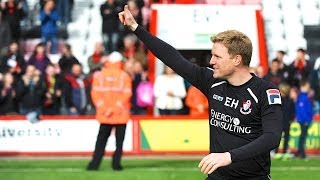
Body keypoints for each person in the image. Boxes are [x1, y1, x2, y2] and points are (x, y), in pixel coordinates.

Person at [119, 6, 283, 179]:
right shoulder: (212, 81)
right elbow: (172, 57)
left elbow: (272, 137)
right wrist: (136, 28)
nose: (211, 61)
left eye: (217, 57)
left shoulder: (265, 91)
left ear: (237, 59)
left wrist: (229, 156)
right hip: (217, 177)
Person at [87, 51, 132, 171]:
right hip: (120, 114)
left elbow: (95, 94)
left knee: (101, 141)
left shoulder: (99, 75)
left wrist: (105, 109)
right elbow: (127, 94)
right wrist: (114, 108)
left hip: (105, 114)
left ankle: (94, 164)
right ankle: (116, 165)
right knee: (119, 142)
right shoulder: (124, 76)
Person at [295, 80, 314, 159]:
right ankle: (301, 153)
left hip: (304, 120)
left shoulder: (304, 96)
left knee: (303, 136)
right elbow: (302, 111)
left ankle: (300, 152)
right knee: (303, 136)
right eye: (307, 87)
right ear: (303, 87)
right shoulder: (303, 97)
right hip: (304, 120)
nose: (308, 88)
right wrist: (306, 120)